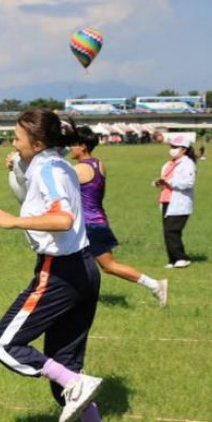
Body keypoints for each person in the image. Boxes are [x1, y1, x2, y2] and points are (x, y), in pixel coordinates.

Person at [0, 109, 110, 422]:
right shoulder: (54, 163)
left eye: (17, 137)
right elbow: (38, 190)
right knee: (62, 364)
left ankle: (77, 383)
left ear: (37, 142)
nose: (13, 141)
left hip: (60, 271)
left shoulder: (50, 169)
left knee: (3, 344)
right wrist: (20, 165)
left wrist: (13, 221)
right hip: (83, 269)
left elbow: (62, 219)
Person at [62, 125, 168, 306]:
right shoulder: (98, 164)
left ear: (83, 147)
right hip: (96, 221)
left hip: (89, 225)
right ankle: (67, 296)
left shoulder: (78, 170)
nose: (70, 148)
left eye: (73, 144)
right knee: (71, 262)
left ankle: (155, 285)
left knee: (109, 266)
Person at [156, 133, 196, 269]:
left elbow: (188, 183)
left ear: (184, 149)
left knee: (173, 230)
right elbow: (164, 179)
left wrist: (169, 181)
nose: (172, 149)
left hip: (180, 202)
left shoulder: (188, 164)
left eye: (175, 147)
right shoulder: (168, 164)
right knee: (167, 231)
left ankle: (181, 258)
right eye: (171, 146)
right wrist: (159, 182)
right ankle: (172, 259)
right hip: (166, 199)